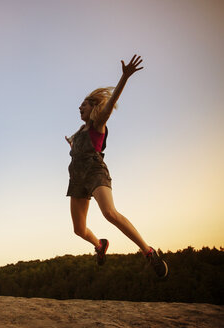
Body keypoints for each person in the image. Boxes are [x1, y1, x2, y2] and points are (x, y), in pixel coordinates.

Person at [65, 55, 168, 278]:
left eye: (83, 104)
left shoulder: (98, 122)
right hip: (77, 180)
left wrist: (124, 77)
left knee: (109, 213)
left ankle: (148, 251)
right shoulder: (79, 132)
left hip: (95, 173)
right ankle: (100, 245)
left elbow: (109, 107)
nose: (79, 107)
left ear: (93, 107)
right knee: (79, 230)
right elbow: (78, 147)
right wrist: (71, 143)